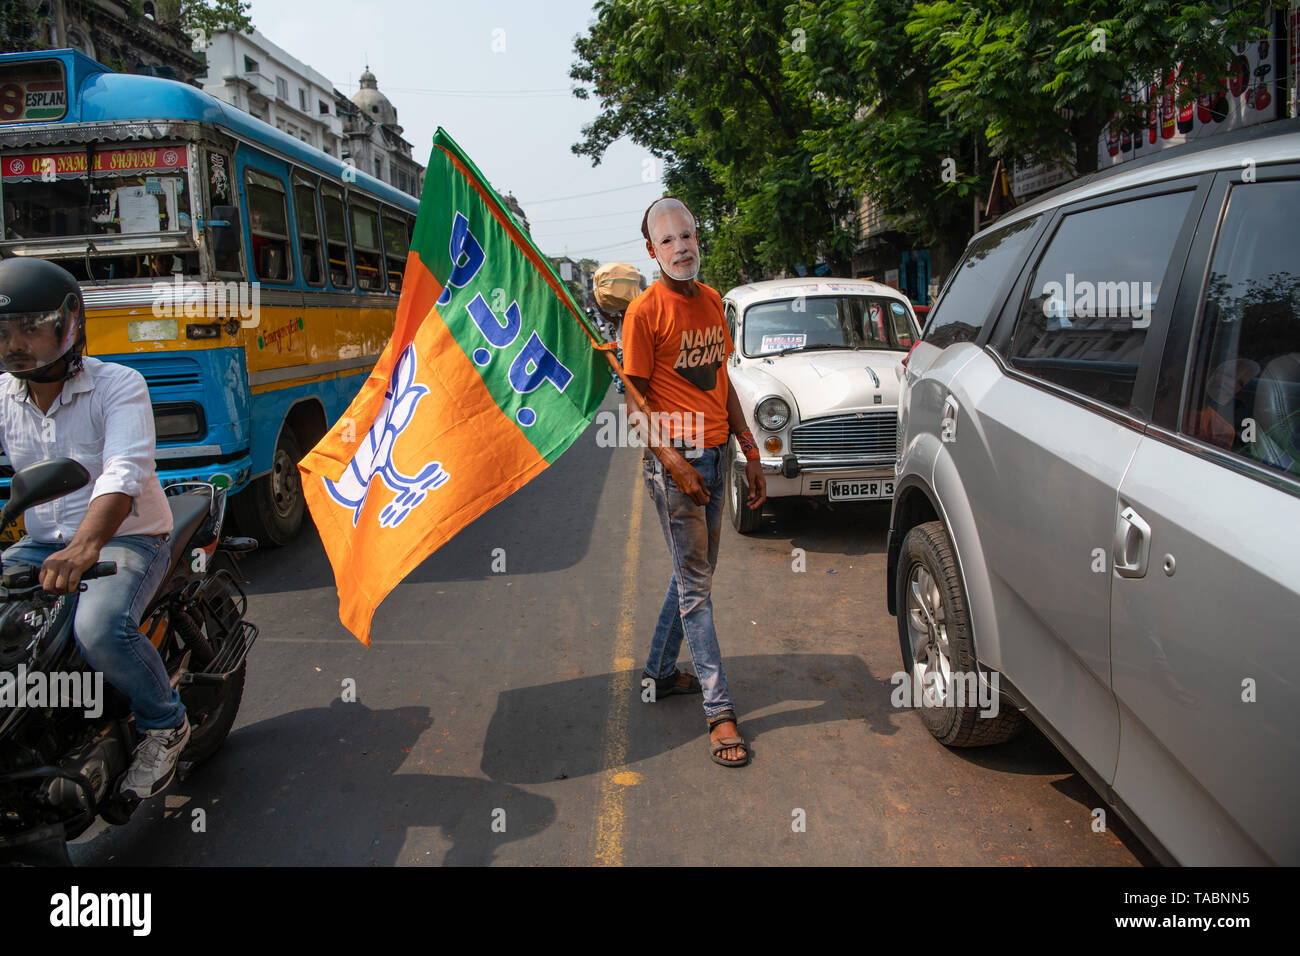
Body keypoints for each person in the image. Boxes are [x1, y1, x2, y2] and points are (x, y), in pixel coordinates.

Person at [0, 257, 189, 799]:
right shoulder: (4, 395)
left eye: (31, 328)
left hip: (128, 536)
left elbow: (124, 470)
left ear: (70, 326)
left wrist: (85, 546)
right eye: (4, 331)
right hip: (41, 543)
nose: (16, 343)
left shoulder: (118, 384)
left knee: (99, 629)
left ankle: (164, 723)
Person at [621, 196, 765, 767]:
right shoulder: (643, 313)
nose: (682, 248)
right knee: (698, 588)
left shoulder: (712, 303)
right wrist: (673, 462)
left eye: (688, 236)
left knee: (691, 575)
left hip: (718, 455)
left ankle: (658, 671)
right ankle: (719, 711)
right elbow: (635, 402)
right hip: (675, 462)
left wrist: (750, 447)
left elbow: (722, 383)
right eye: (668, 240)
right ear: (652, 251)